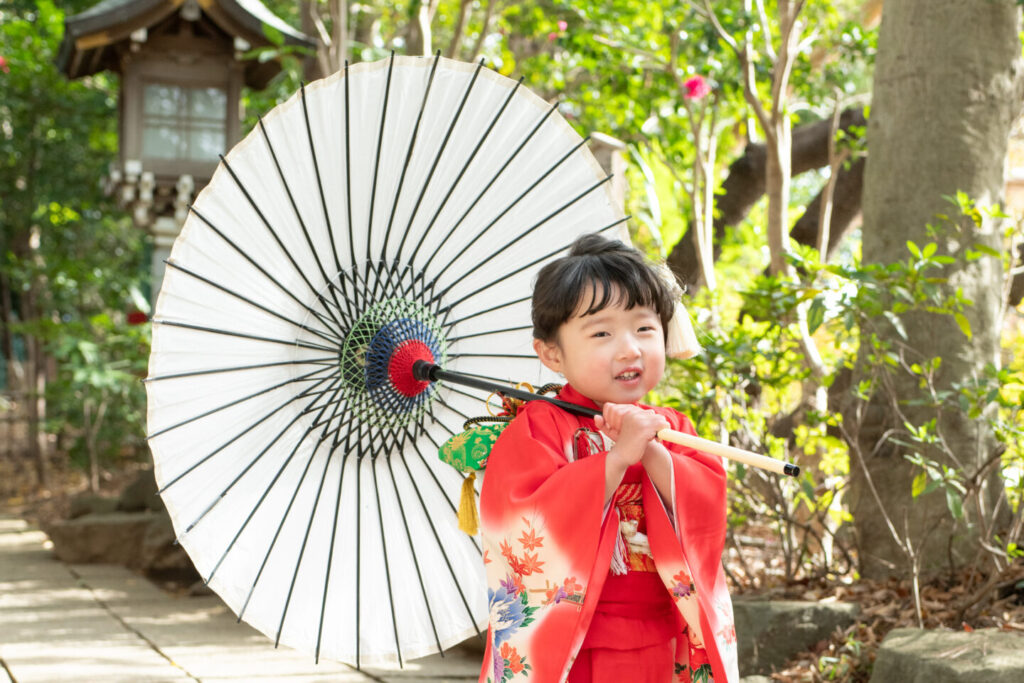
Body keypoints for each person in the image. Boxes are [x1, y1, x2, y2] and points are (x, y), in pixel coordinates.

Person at [477, 233, 738, 683]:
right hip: (576, 638)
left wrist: (651, 448)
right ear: (551, 353)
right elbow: (522, 527)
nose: (629, 348)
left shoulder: (671, 424)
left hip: (661, 630)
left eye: (644, 328)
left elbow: (706, 512)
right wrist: (615, 461)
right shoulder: (541, 425)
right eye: (602, 332)